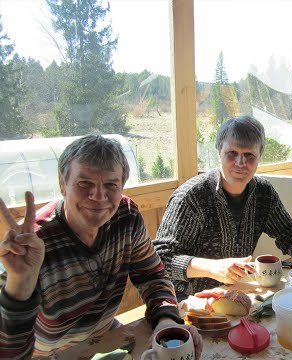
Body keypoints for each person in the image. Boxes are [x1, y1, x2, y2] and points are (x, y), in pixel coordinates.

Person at [0, 135, 202, 359]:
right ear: (62, 184)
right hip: (46, 354)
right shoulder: (32, 244)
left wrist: (166, 321)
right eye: (84, 183)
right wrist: (19, 284)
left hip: (104, 335)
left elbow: (152, 277)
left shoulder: (126, 215)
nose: (98, 196)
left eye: (110, 185)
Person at [154, 115, 292, 296]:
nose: (240, 163)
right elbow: (160, 258)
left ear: (259, 157)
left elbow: (289, 233)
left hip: (236, 293)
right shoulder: (191, 198)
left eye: (249, 155)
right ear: (219, 152)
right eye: (232, 153)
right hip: (186, 300)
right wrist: (213, 267)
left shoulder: (263, 193)